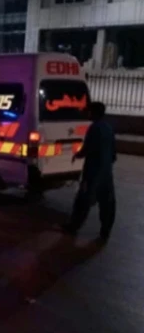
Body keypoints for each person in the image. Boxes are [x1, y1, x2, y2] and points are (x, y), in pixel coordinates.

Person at [60, 102, 116, 240]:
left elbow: (87, 148)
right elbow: (113, 154)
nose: (87, 113)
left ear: (93, 113)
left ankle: (73, 226)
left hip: (93, 172)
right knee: (107, 203)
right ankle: (105, 231)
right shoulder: (108, 128)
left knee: (83, 200)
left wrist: (77, 155)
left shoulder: (94, 128)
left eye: (89, 111)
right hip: (106, 172)